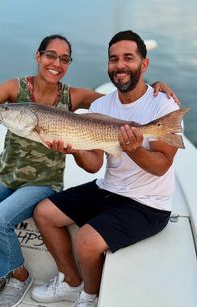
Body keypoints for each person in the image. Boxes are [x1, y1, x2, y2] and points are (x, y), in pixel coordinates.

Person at [0, 33, 176, 307]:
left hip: (120, 196)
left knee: (5, 224)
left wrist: (156, 90)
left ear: (144, 63)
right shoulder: (20, 89)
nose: (56, 63)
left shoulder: (82, 96)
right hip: (24, 177)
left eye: (64, 59)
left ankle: (58, 287)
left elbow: (127, 103)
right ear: (38, 56)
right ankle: (36, 278)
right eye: (50, 55)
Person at [31, 30, 180, 307]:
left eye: (128, 58)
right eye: (113, 59)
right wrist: (75, 147)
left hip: (148, 203)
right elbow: (94, 165)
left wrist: (135, 149)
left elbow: (161, 167)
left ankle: (90, 295)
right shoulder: (101, 105)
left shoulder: (163, 105)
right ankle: (70, 282)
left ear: (143, 64)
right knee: (44, 212)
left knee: (86, 241)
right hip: (108, 189)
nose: (120, 65)